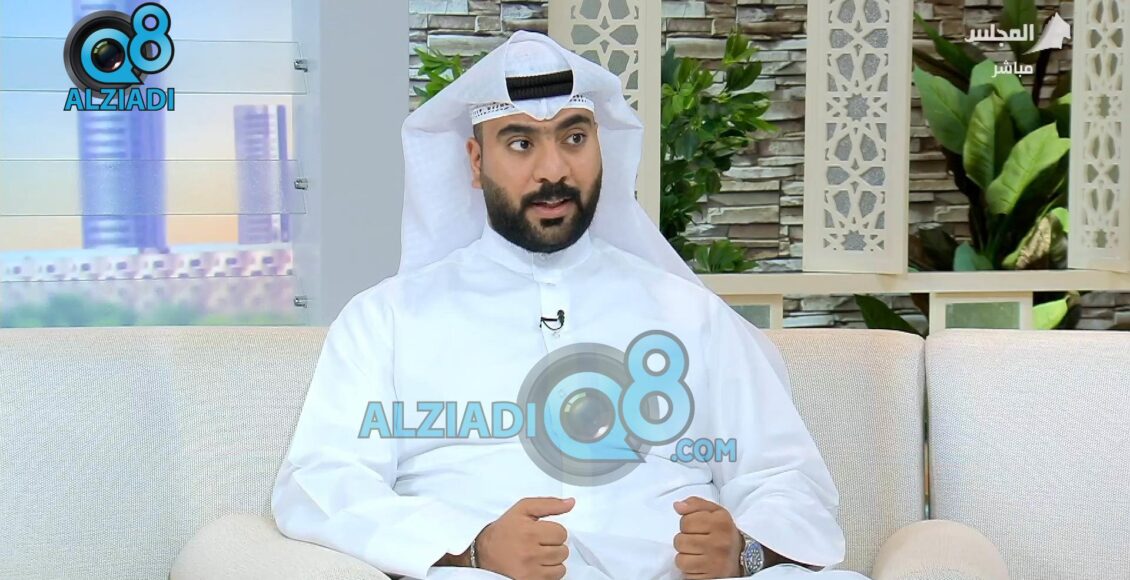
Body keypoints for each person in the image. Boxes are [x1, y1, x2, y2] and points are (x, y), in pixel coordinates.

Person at [272, 31, 867, 580]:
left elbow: (782, 474)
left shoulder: (690, 314)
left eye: (574, 138)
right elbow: (324, 479)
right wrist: (469, 547)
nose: (553, 170)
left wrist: (744, 549)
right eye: (521, 143)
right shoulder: (387, 319)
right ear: (476, 163)